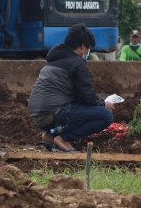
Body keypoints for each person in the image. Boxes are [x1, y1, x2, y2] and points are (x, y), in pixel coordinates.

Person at [28, 23, 114, 152]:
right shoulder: (77, 62)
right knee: (106, 116)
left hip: (38, 116)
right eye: (89, 48)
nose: (88, 52)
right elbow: (86, 96)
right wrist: (103, 103)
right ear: (83, 46)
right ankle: (63, 139)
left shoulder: (53, 58)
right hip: (54, 113)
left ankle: (50, 135)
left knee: (77, 109)